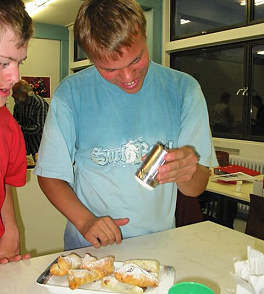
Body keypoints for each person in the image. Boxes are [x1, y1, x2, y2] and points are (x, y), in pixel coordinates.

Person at [34, 0, 218, 251]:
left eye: (136, 60)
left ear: (144, 34)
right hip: (90, 249)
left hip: (159, 246)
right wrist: (85, 220)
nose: (128, 78)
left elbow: (196, 187)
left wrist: (187, 171)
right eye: (109, 69)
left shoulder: (183, 90)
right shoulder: (72, 93)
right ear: (91, 58)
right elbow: (50, 175)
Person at [0, 0, 33, 263]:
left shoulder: (7, 126)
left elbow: (5, 182)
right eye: (3, 63)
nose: (15, 77)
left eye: (18, 63)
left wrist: (10, 228)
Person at [12, 79, 49, 159]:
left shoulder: (39, 104)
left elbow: (39, 128)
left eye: (15, 92)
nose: (12, 95)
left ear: (24, 94)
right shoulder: (18, 105)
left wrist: (20, 128)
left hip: (39, 150)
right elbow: (14, 123)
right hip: (24, 150)